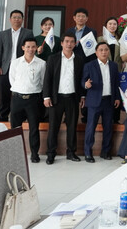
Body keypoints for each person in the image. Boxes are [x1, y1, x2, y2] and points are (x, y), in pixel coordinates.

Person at [42, 33, 85, 164]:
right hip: (56, 98)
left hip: (72, 98)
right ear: (61, 43)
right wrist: (46, 97)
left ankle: (71, 152)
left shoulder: (79, 59)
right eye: (66, 41)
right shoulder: (53, 58)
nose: (69, 44)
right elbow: (47, 79)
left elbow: (81, 79)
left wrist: (82, 95)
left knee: (72, 126)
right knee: (53, 127)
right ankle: (51, 154)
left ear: (75, 44)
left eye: (72, 42)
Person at [9, 37, 46, 163]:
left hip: (33, 100)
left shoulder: (41, 63)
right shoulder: (15, 63)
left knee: (34, 128)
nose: (31, 49)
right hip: (17, 99)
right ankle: (15, 153)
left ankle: (34, 154)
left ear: (36, 48)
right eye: (28, 47)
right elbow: (12, 80)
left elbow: (42, 82)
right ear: (23, 48)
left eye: (33, 47)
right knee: (15, 128)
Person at [83, 42, 120, 162]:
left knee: (108, 127)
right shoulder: (89, 65)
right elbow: (83, 81)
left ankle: (105, 152)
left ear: (108, 52)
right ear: (96, 52)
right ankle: (88, 153)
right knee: (91, 128)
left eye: (106, 50)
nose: (104, 52)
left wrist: (117, 97)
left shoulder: (114, 65)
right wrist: (86, 85)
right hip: (94, 101)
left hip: (109, 100)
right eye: (101, 50)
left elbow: (116, 83)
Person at [0, 9, 34, 122]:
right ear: (10, 19)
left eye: (19, 17)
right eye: (14, 17)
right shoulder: (3, 34)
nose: (17, 19)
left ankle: (22, 116)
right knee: (4, 93)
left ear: (22, 19)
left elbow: (31, 48)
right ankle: (3, 115)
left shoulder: (28, 33)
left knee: (22, 92)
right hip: (6, 68)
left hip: (22, 67)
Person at [98, 16, 123, 124]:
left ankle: (116, 118)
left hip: (117, 69)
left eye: (114, 24)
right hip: (102, 69)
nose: (112, 26)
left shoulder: (120, 39)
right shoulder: (100, 39)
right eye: (110, 24)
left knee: (116, 92)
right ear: (106, 26)